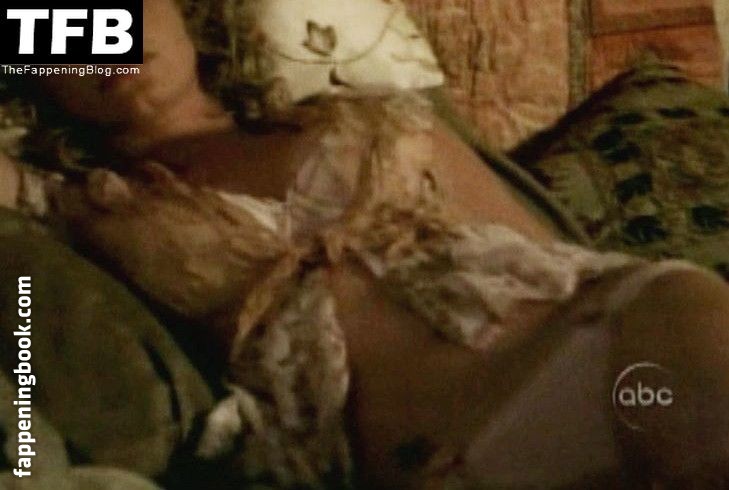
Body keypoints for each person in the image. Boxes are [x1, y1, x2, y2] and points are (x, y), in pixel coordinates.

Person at [2, 0, 729, 487]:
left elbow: (545, 249)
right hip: (439, 451)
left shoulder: (365, 117)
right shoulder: (82, 204)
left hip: (620, 329)